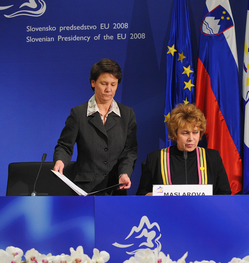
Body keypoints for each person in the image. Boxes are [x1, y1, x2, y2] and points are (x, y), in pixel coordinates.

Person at [53, 58, 137, 195]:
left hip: (114, 187)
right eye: (104, 83)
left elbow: (129, 151)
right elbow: (64, 145)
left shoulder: (127, 114)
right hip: (84, 189)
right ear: (93, 82)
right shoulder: (79, 113)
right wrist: (60, 160)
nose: (109, 89)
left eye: (113, 84)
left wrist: (124, 173)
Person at [136, 103, 231, 195]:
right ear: (174, 134)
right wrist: (154, 196)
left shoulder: (212, 158)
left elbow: (225, 194)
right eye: (185, 133)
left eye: (195, 132)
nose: (191, 138)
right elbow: (141, 195)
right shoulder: (156, 158)